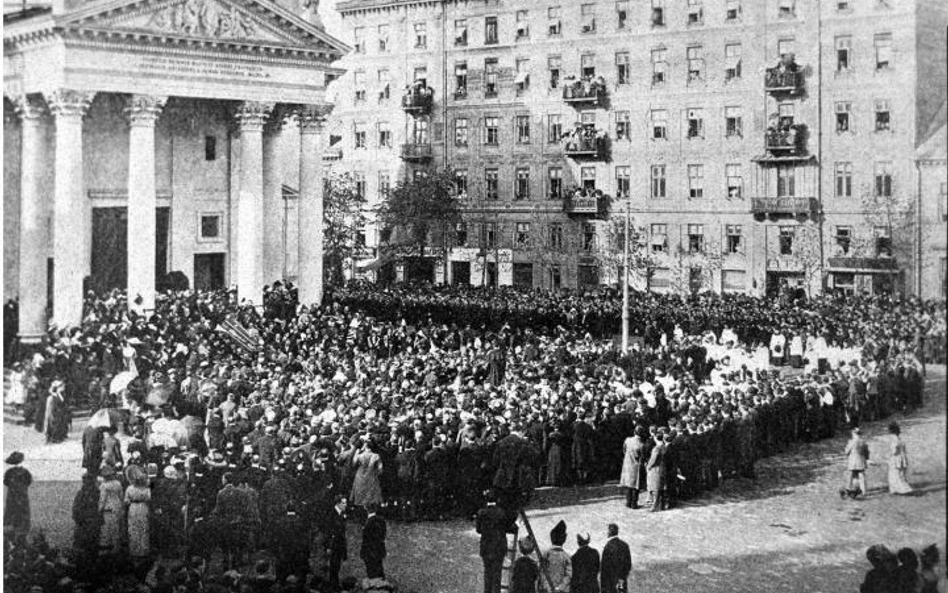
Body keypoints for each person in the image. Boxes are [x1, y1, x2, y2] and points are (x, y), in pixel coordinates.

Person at [476, 490, 513, 593]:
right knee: (497, 575)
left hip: (486, 547)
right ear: (497, 500)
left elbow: (478, 530)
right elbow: (506, 527)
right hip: (498, 548)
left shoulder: (481, 513)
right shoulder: (501, 513)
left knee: (487, 573)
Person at [72, 472, 102, 568]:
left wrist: (78, 519)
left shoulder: (83, 493)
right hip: (89, 522)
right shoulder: (96, 493)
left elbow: (75, 508)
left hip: (87, 523)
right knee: (90, 545)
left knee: (85, 544)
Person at [125, 465, 152, 563]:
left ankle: (134, 551)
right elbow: (149, 498)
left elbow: (126, 501)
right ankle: (144, 551)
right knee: (144, 529)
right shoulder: (146, 489)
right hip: (143, 508)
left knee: (133, 529)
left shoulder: (129, 488)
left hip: (133, 508)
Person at [98, 464, 125, 556]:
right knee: (116, 530)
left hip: (108, 509)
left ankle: (106, 551)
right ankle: (116, 549)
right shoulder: (118, 483)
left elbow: (102, 500)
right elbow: (121, 496)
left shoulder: (103, 486)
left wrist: (99, 510)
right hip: (118, 507)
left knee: (106, 531)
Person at [4, 451, 32, 538]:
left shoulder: (9, 472)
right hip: (22, 494)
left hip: (12, 495)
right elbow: (29, 481)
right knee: (23, 510)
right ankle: (23, 529)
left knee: (11, 509)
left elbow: (6, 482)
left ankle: (11, 528)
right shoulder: (25, 472)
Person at [618, 426, 646, 509]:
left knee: (628, 484)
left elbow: (624, 450)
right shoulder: (641, 445)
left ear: (634, 432)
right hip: (636, 465)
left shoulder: (628, 440)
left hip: (627, 464)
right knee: (635, 485)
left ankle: (628, 502)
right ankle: (634, 503)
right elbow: (643, 456)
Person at [326, 495, 349, 591]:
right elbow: (328, 531)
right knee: (334, 565)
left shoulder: (342, 514)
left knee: (337, 565)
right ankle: (333, 585)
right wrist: (328, 546)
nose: (345, 505)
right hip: (334, 544)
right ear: (338, 503)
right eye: (343, 503)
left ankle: (334, 584)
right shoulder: (332, 515)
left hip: (339, 544)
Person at [541, 520, 571, 593]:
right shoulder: (566, 556)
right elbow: (569, 575)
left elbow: (542, 572)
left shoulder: (546, 554)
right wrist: (560, 588)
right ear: (564, 539)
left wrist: (548, 587)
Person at [599, 524, 631, 593]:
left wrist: (603, 588)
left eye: (608, 531)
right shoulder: (625, 545)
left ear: (610, 532)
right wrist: (622, 577)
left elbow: (604, 568)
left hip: (610, 584)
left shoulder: (608, 546)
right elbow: (628, 564)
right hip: (621, 581)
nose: (607, 532)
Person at [841, 427, 870, 500]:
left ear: (853, 434)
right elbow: (867, 453)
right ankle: (864, 492)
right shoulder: (863, 442)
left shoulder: (851, 442)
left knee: (850, 476)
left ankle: (849, 490)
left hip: (852, 462)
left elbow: (846, 452)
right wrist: (866, 458)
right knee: (862, 476)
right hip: (861, 461)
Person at [360, 503, 387, 579]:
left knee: (372, 574)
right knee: (379, 571)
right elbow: (383, 536)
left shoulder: (368, 522)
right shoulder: (381, 520)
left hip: (370, 553)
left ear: (365, 508)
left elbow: (367, 539)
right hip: (378, 551)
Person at [886, 422, 913, 495]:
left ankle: (899, 489)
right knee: (901, 474)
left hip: (895, 459)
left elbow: (894, 452)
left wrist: (889, 456)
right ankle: (902, 489)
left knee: (893, 474)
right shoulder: (901, 440)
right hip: (902, 458)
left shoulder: (894, 441)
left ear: (891, 432)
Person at [646, 432, 666, 512]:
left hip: (656, 469)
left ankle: (655, 506)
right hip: (663, 468)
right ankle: (661, 505)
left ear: (655, 438)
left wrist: (648, 466)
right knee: (661, 487)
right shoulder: (664, 446)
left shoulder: (656, 448)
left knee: (655, 487)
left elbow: (653, 460)